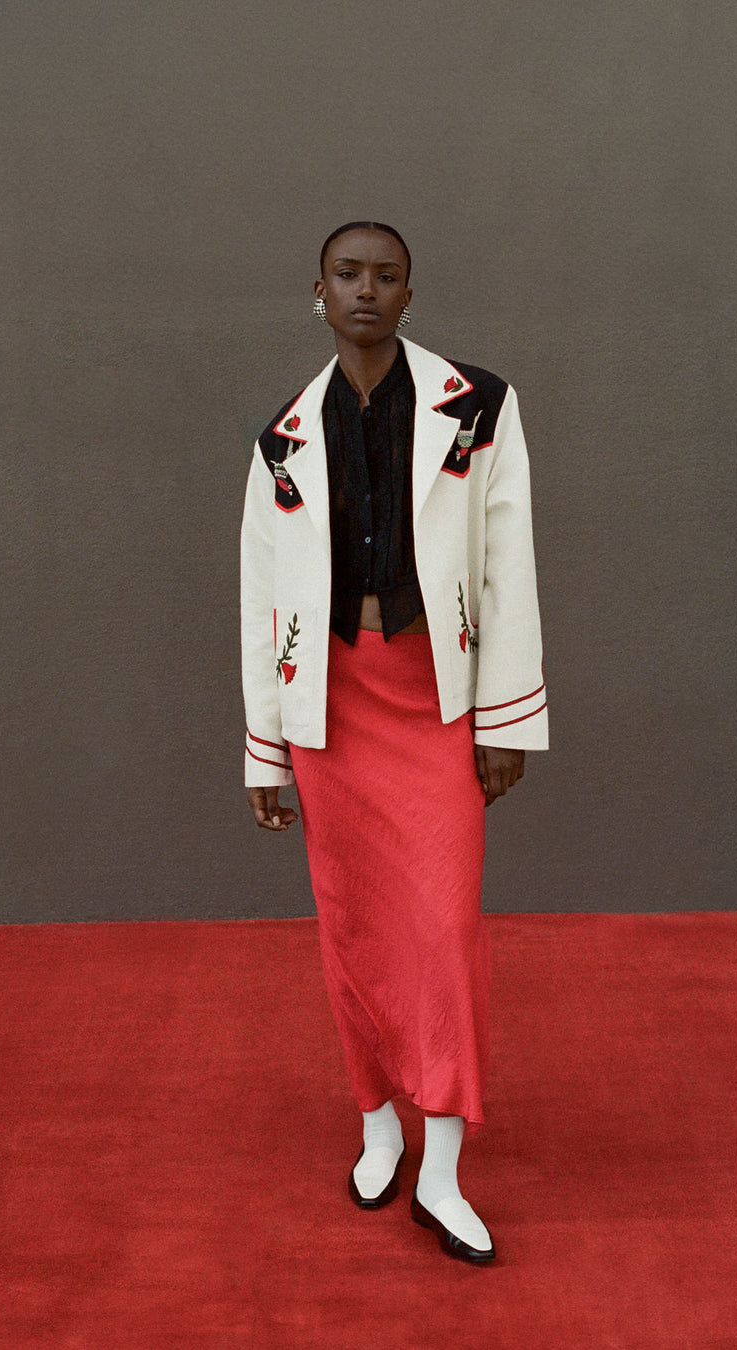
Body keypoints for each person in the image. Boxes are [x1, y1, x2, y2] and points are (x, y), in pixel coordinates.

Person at [240, 221, 547, 1263]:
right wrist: (267, 747)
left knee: (444, 927)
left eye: (387, 276)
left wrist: (504, 718)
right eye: (347, 274)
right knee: (356, 927)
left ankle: (445, 1171)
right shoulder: (283, 433)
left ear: (410, 295)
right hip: (329, 707)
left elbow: (509, 563)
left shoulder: (480, 406)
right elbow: (259, 596)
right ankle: (377, 1123)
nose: (366, 290)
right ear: (316, 292)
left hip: (437, 698)